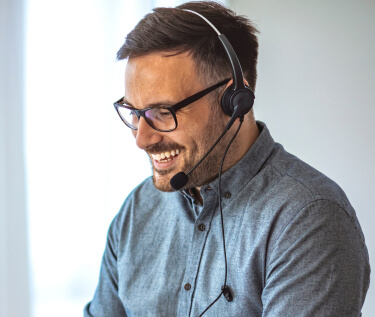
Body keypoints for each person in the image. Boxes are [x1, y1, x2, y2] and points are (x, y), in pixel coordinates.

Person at [84, 1, 370, 316]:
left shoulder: (308, 219)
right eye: (134, 113)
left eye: (163, 112)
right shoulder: (137, 210)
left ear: (234, 100)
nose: (142, 138)